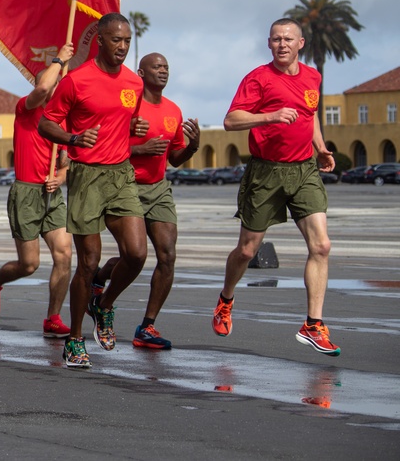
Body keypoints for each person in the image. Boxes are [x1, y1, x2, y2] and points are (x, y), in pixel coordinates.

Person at [213, 18, 340, 356]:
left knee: (322, 245)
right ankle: (226, 299)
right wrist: (269, 116)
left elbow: (309, 113)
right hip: (265, 173)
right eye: (275, 39)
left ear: (301, 43)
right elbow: (230, 120)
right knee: (247, 251)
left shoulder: (313, 76)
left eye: (288, 39)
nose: (282, 44)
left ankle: (313, 324)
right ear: (269, 44)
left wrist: (321, 147)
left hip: (304, 170)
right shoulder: (258, 78)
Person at [38, 13, 149, 369]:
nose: (122, 46)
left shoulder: (134, 83)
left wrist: (136, 126)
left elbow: (124, 121)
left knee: (136, 254)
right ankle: (74, 339)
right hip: (86, 176)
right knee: (87, 263)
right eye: (116, 40)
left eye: (127, 41)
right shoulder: (76, 80)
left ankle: (104, 304)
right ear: (100, 40)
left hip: (121, 175)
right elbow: (45, 122)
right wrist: (72, 138)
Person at [90, 53, 200, 350]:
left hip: (159, 188)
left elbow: (174, 158)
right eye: (157, 66)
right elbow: (105, 144)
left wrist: (192, 147)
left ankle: (147, 326)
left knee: (167, 256)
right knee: (134, 257)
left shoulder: (173, 110)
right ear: (141, 72)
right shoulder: (127, 105)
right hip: (126, 185)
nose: (163, 71)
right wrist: (140, 149)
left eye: (166, 66)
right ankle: (103, 298)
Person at [0, 44, 74, 340]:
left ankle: (53, 317)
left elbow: (65, 162)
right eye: (47, 82)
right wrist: (59, 60)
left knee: (64, 254)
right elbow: (44, 86)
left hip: (52, 195)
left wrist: (59, 178)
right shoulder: (26, 108)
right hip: (26, 193)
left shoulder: (62, 119)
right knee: (29, 264)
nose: (51, 87)